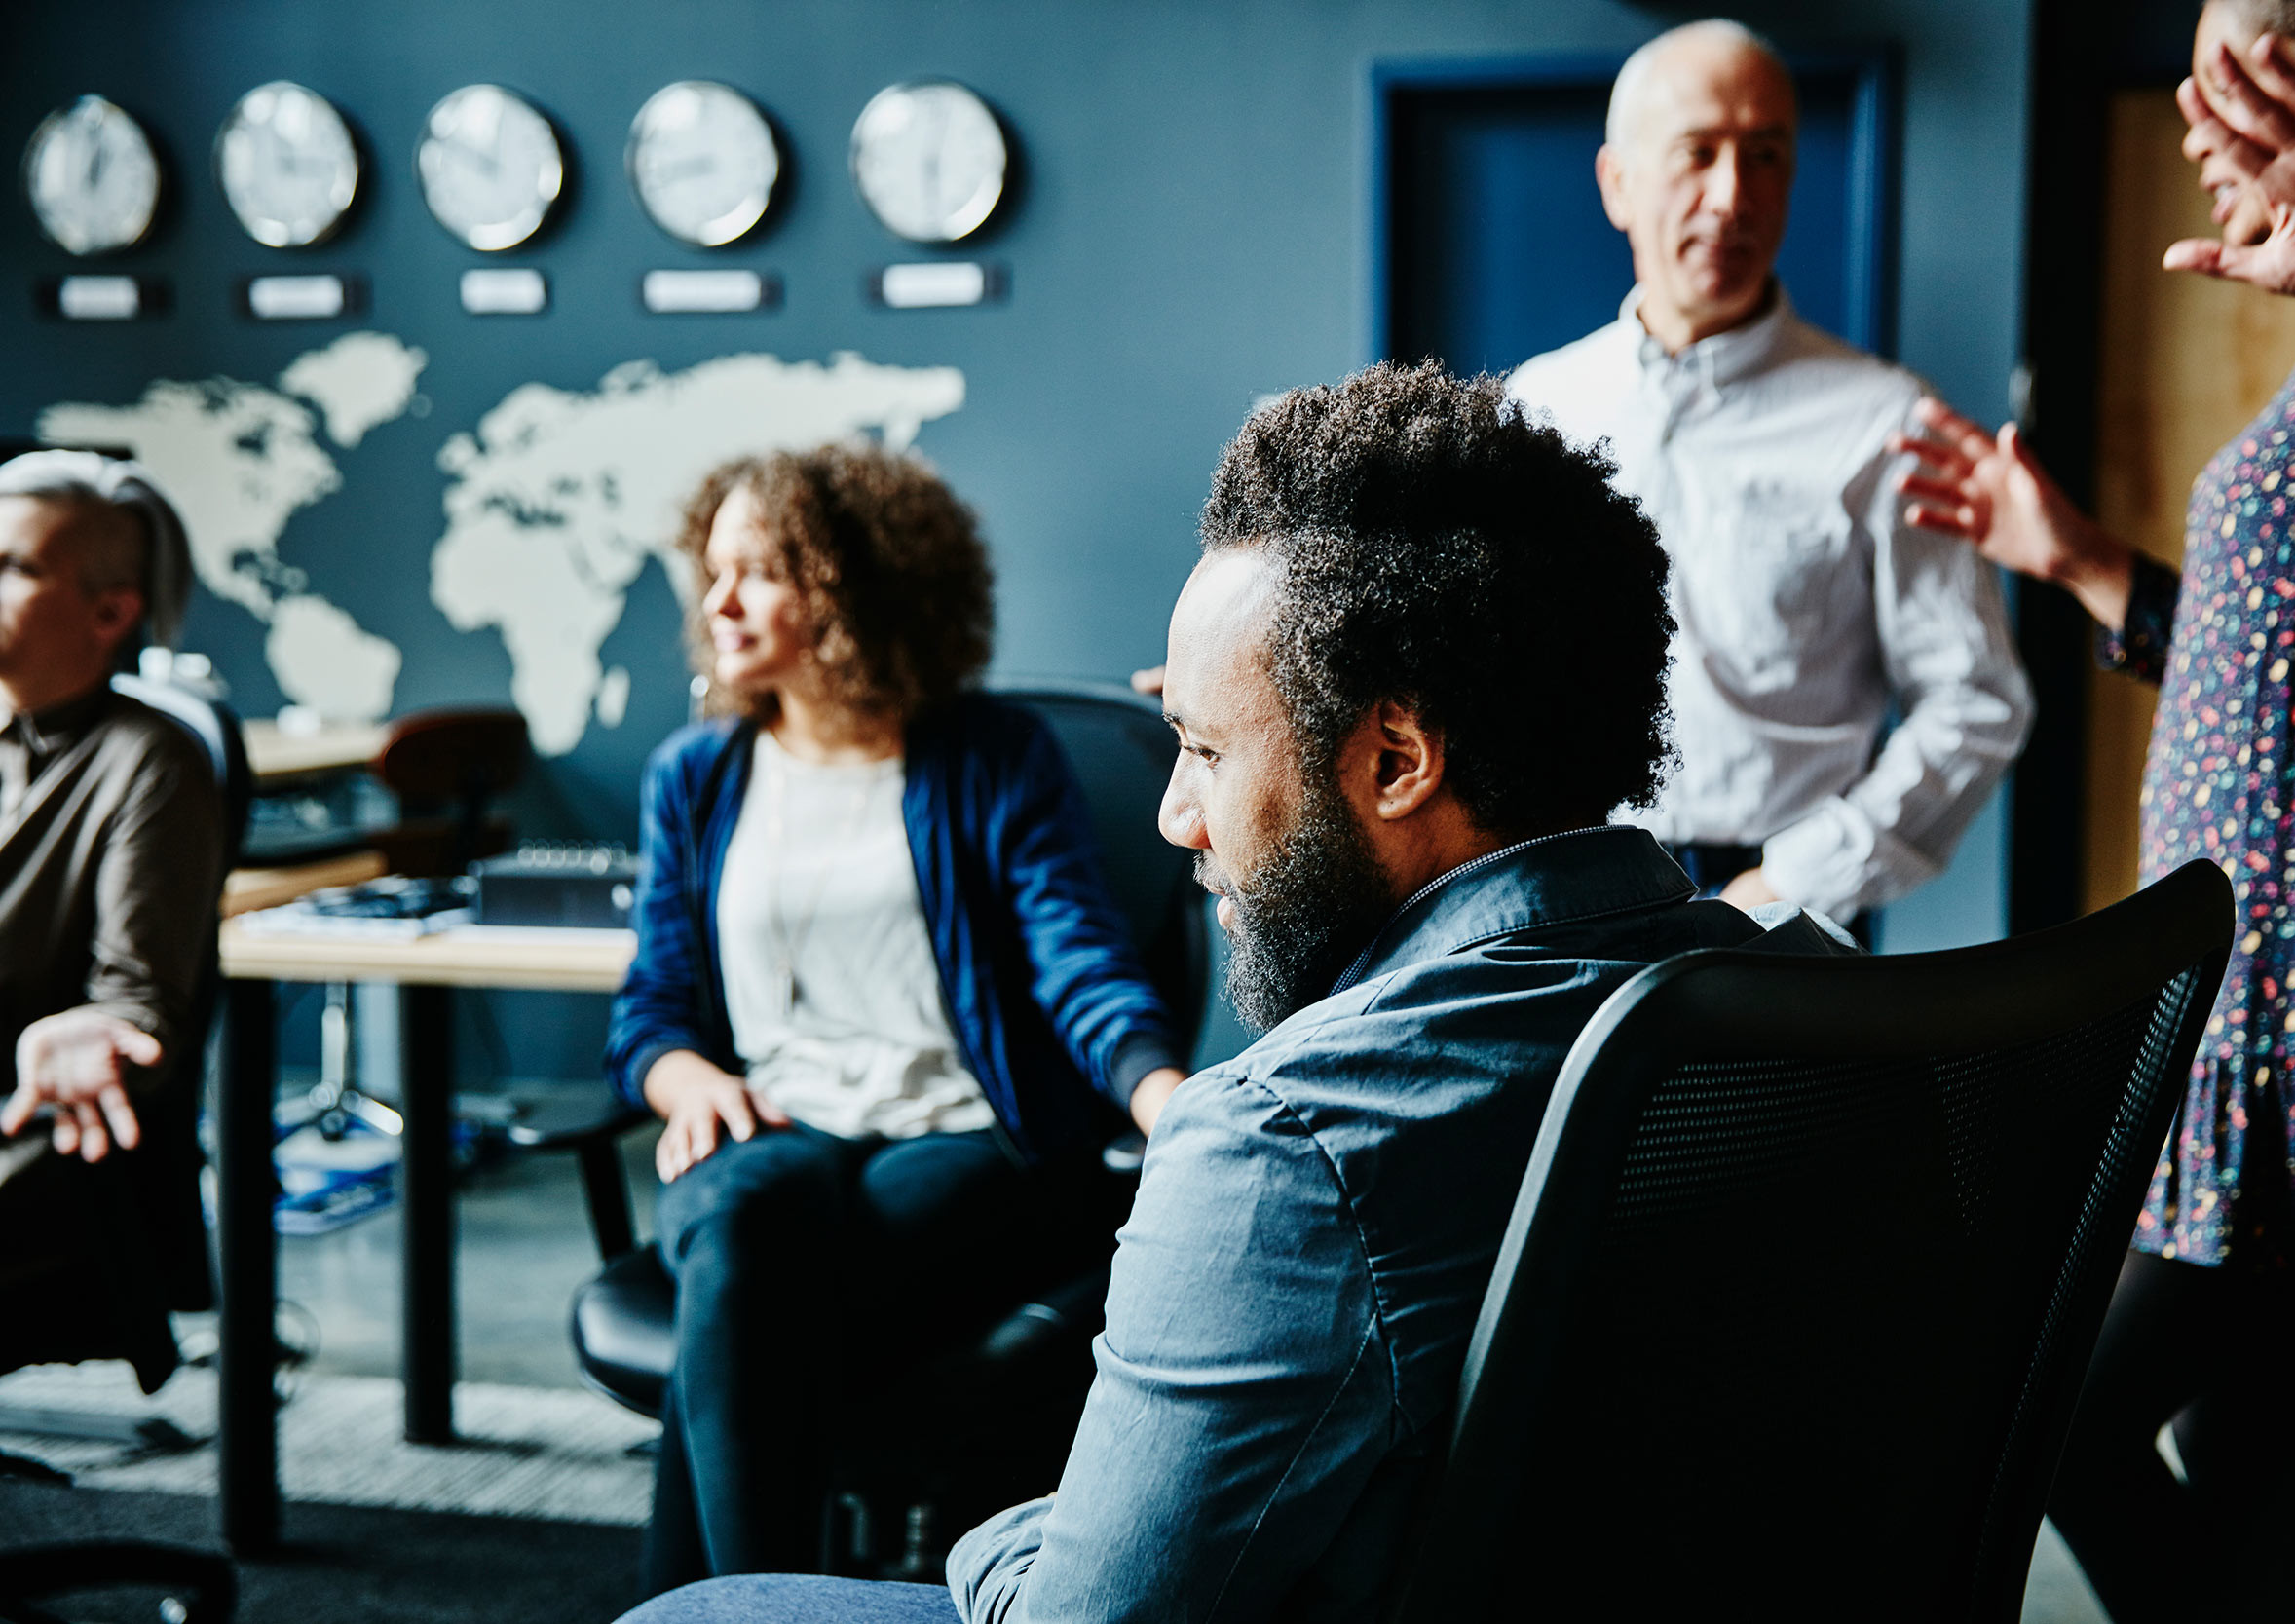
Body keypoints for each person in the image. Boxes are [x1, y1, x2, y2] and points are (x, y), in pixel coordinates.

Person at [618, 363, 1854, 1624]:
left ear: (1395, 758)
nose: (1171, 814)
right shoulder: (1831, 1008)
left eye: (1205, 749)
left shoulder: (1285, 1142)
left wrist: (1001, 1544)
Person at [1892, 3, 2295, 1615]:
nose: (2192, 119)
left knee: (2047, 1414)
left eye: (2226, 70)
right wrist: (2076, 562)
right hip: (2246, 1023)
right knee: (2251, 1478)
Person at [604, 445, 1190, 1595]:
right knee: (754, 1210)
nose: (718, 602)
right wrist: (688, 1081)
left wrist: (1166, 1099)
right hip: (774, 1129)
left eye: (760, 571)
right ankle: (766, 1609)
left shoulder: (988, 757)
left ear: (853, 584)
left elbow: (1075, 957)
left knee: (744, 1268)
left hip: (965, 1135)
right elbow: (652, 1009)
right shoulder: (696, 776)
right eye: (711, 571)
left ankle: (717, 1609)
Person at [1496, 19, 2033, 922]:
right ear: (1618, 184)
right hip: (1551, 893)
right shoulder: (1532, 410)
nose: (1732, 196)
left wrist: (1790, 886)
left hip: (1783, 911)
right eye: (1696, 153)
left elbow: (1975, 697)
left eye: (1766, 154)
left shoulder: (1886, 422)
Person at [0, 450, 220, 1390]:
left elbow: (137, 1005)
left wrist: (94, 1033)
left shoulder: (150, 761)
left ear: (111, 612)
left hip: (30, 1121)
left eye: (14, 566)